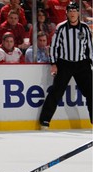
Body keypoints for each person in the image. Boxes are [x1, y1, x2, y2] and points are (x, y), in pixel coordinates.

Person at [39, 1, 93, 129]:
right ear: (67, 13)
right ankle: (45, 120)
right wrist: (54, 63)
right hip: (65, 64)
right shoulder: (61, 27)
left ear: (78, 13)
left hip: (82, 64)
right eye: (70, 11)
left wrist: (90, 63)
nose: (73, 13)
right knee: (56, 92)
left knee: (91, 92)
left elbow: (90, 47)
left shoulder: (85, 28)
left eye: (75, 11)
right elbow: (54, 46)